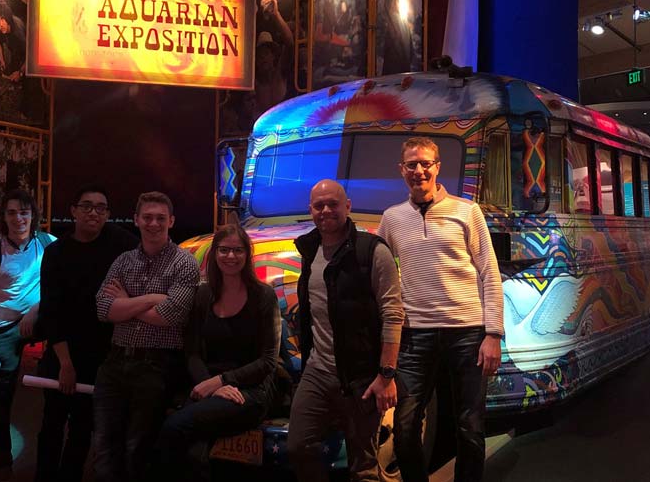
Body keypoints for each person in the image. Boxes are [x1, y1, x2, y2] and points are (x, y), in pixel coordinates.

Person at [376, 137, 504, 482]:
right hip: (414, 335)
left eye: (425, 163)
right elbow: (380, 275)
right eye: (411, 165)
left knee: (470, 427)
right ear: (401, 170)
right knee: (404, 426)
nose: (418, 171)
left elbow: (490, 272)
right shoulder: (392, 218)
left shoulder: (467, 211)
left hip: (467, 332)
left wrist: (493, 333)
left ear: (437, 167)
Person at [287, 179, 404, 482]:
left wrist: (386, 375)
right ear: (310, 210)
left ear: (348, 207)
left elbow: (393, 314)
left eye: (333, 204)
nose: (326, 210)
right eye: (318, 205)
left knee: (362, 465)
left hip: (361, 376)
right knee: (298, 446)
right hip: (317, 371)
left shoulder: (373, 251)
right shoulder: (309, 250)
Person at [154, 224, 280, 481]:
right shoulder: (202, 295)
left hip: (250, 391)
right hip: (208, 386)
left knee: (175, 428)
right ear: (215, 254)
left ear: (247, 254)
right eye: (224, 250)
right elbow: (191, 352)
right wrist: (209, 384)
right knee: (192, 449)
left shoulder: (263, 296)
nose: (231, 256)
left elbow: (267, 361)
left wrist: (222, 381)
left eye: (237, 250)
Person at [93, 191, 199, 482]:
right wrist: (151, 298)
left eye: (160, 218)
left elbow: (170, 316)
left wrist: (125, 302)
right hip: (114, 364)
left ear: (172, 221)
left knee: (138, 448)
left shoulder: (184, 263)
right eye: (148, 217)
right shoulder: (123, 261)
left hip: (157, 366)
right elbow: (103, 309)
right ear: (136, 220)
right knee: (104, 446)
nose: (154, 223)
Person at [35, 187, 138, 481]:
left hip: (101, 357)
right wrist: (65, 364)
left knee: (83, 427)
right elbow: (52, 312)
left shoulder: (119, 242)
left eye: (101, 208)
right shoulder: (56, 253)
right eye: (87, 206)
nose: (94, 212)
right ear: (74, 211)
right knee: (52, 424)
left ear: (108, 214)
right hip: (61, 353)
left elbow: (150, 251)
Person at [0, 189, 55, 481]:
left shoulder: (48, 244)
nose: (18, 218)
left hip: (37, 319)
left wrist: (36, 309)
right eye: (12, 212)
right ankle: (3, 466)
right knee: (1, 400)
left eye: (24, 212)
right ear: (4, 217)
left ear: (33, 216)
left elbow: (63, 285)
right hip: (1, 326)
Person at [0, 0, 25, 83]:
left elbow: (31, 55)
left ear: (8, 17)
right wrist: (1, 59)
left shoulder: (18, 33)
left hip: (23, 51)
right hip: (13, 48)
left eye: (2, 19)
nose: (0, 24)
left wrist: (20, 73)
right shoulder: (1, 29)